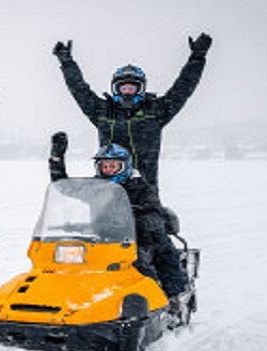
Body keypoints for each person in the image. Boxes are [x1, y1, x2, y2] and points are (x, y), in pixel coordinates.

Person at [52, 34, 212, 194]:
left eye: (132, 88)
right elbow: (80, 90)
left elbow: (182, 88)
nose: (127, 92)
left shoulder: (155, 112)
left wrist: (197, 58)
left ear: (141, 89)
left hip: (145, 193)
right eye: (123, 88)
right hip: (107, 190)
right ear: (116, 89)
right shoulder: (103, 112)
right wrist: (67, 63)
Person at [49, 132, 187, 301]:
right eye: (104, 166)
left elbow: (154, 212)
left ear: (124, 166)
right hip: (103, 240)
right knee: (72, 262)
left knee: (150, 260)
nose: (108, 170)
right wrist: (56, 159)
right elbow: (63, 187)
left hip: (139, 239)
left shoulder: (140, 187)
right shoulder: (95, 187)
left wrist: (140, 219)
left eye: (113, 166)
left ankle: (169, 298)